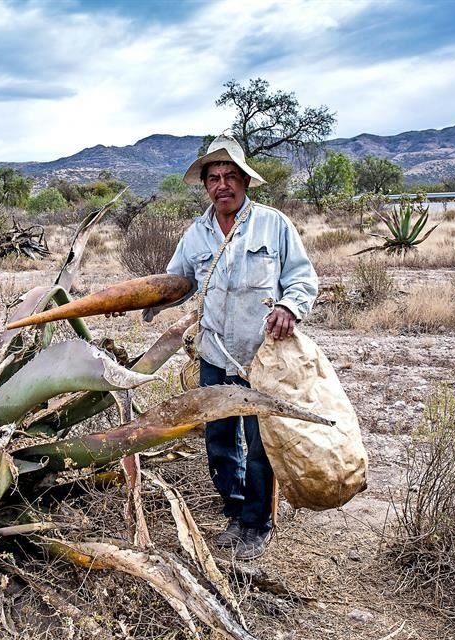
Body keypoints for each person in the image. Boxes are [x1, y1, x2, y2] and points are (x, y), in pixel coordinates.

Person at [145, 134, 318, 560]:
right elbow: (179, 282)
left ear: (245, 181)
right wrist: (141, 301)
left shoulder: (273, 224)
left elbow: (302, 278)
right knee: (221, 439)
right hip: (213, 354)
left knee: (260, 442)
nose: (222, 185)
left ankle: (258, 523)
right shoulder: (196, 233)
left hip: (261, 356)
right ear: (205, 185)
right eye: (214, 178)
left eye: (230, 176)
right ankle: (234, 512)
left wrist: (289, 307)